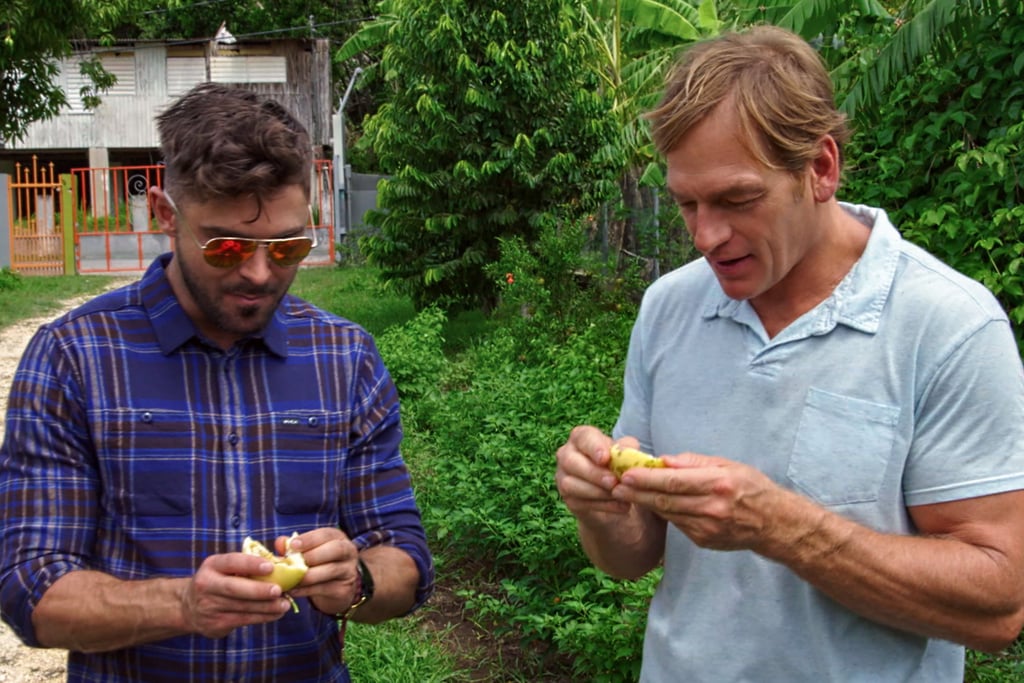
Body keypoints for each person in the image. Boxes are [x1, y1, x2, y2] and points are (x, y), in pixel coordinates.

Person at [555, 24, 1024, 682]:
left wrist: (783, 527)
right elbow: (635, 556)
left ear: (821, 168)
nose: (706, 236)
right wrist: (601, 509)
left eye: (737, 199)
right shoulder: (669, 306)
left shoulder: (947, 325)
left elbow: (999, 606)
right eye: (686, 203)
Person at [0, 83, 434, 682]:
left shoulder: (345, 357)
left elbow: (405, 559)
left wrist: (357, 578)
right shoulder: (75, 357)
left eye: (287, 246)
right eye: (228, 246)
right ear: (164, 215)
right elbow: (31, 588)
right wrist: (181, 604)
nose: (260, 272)